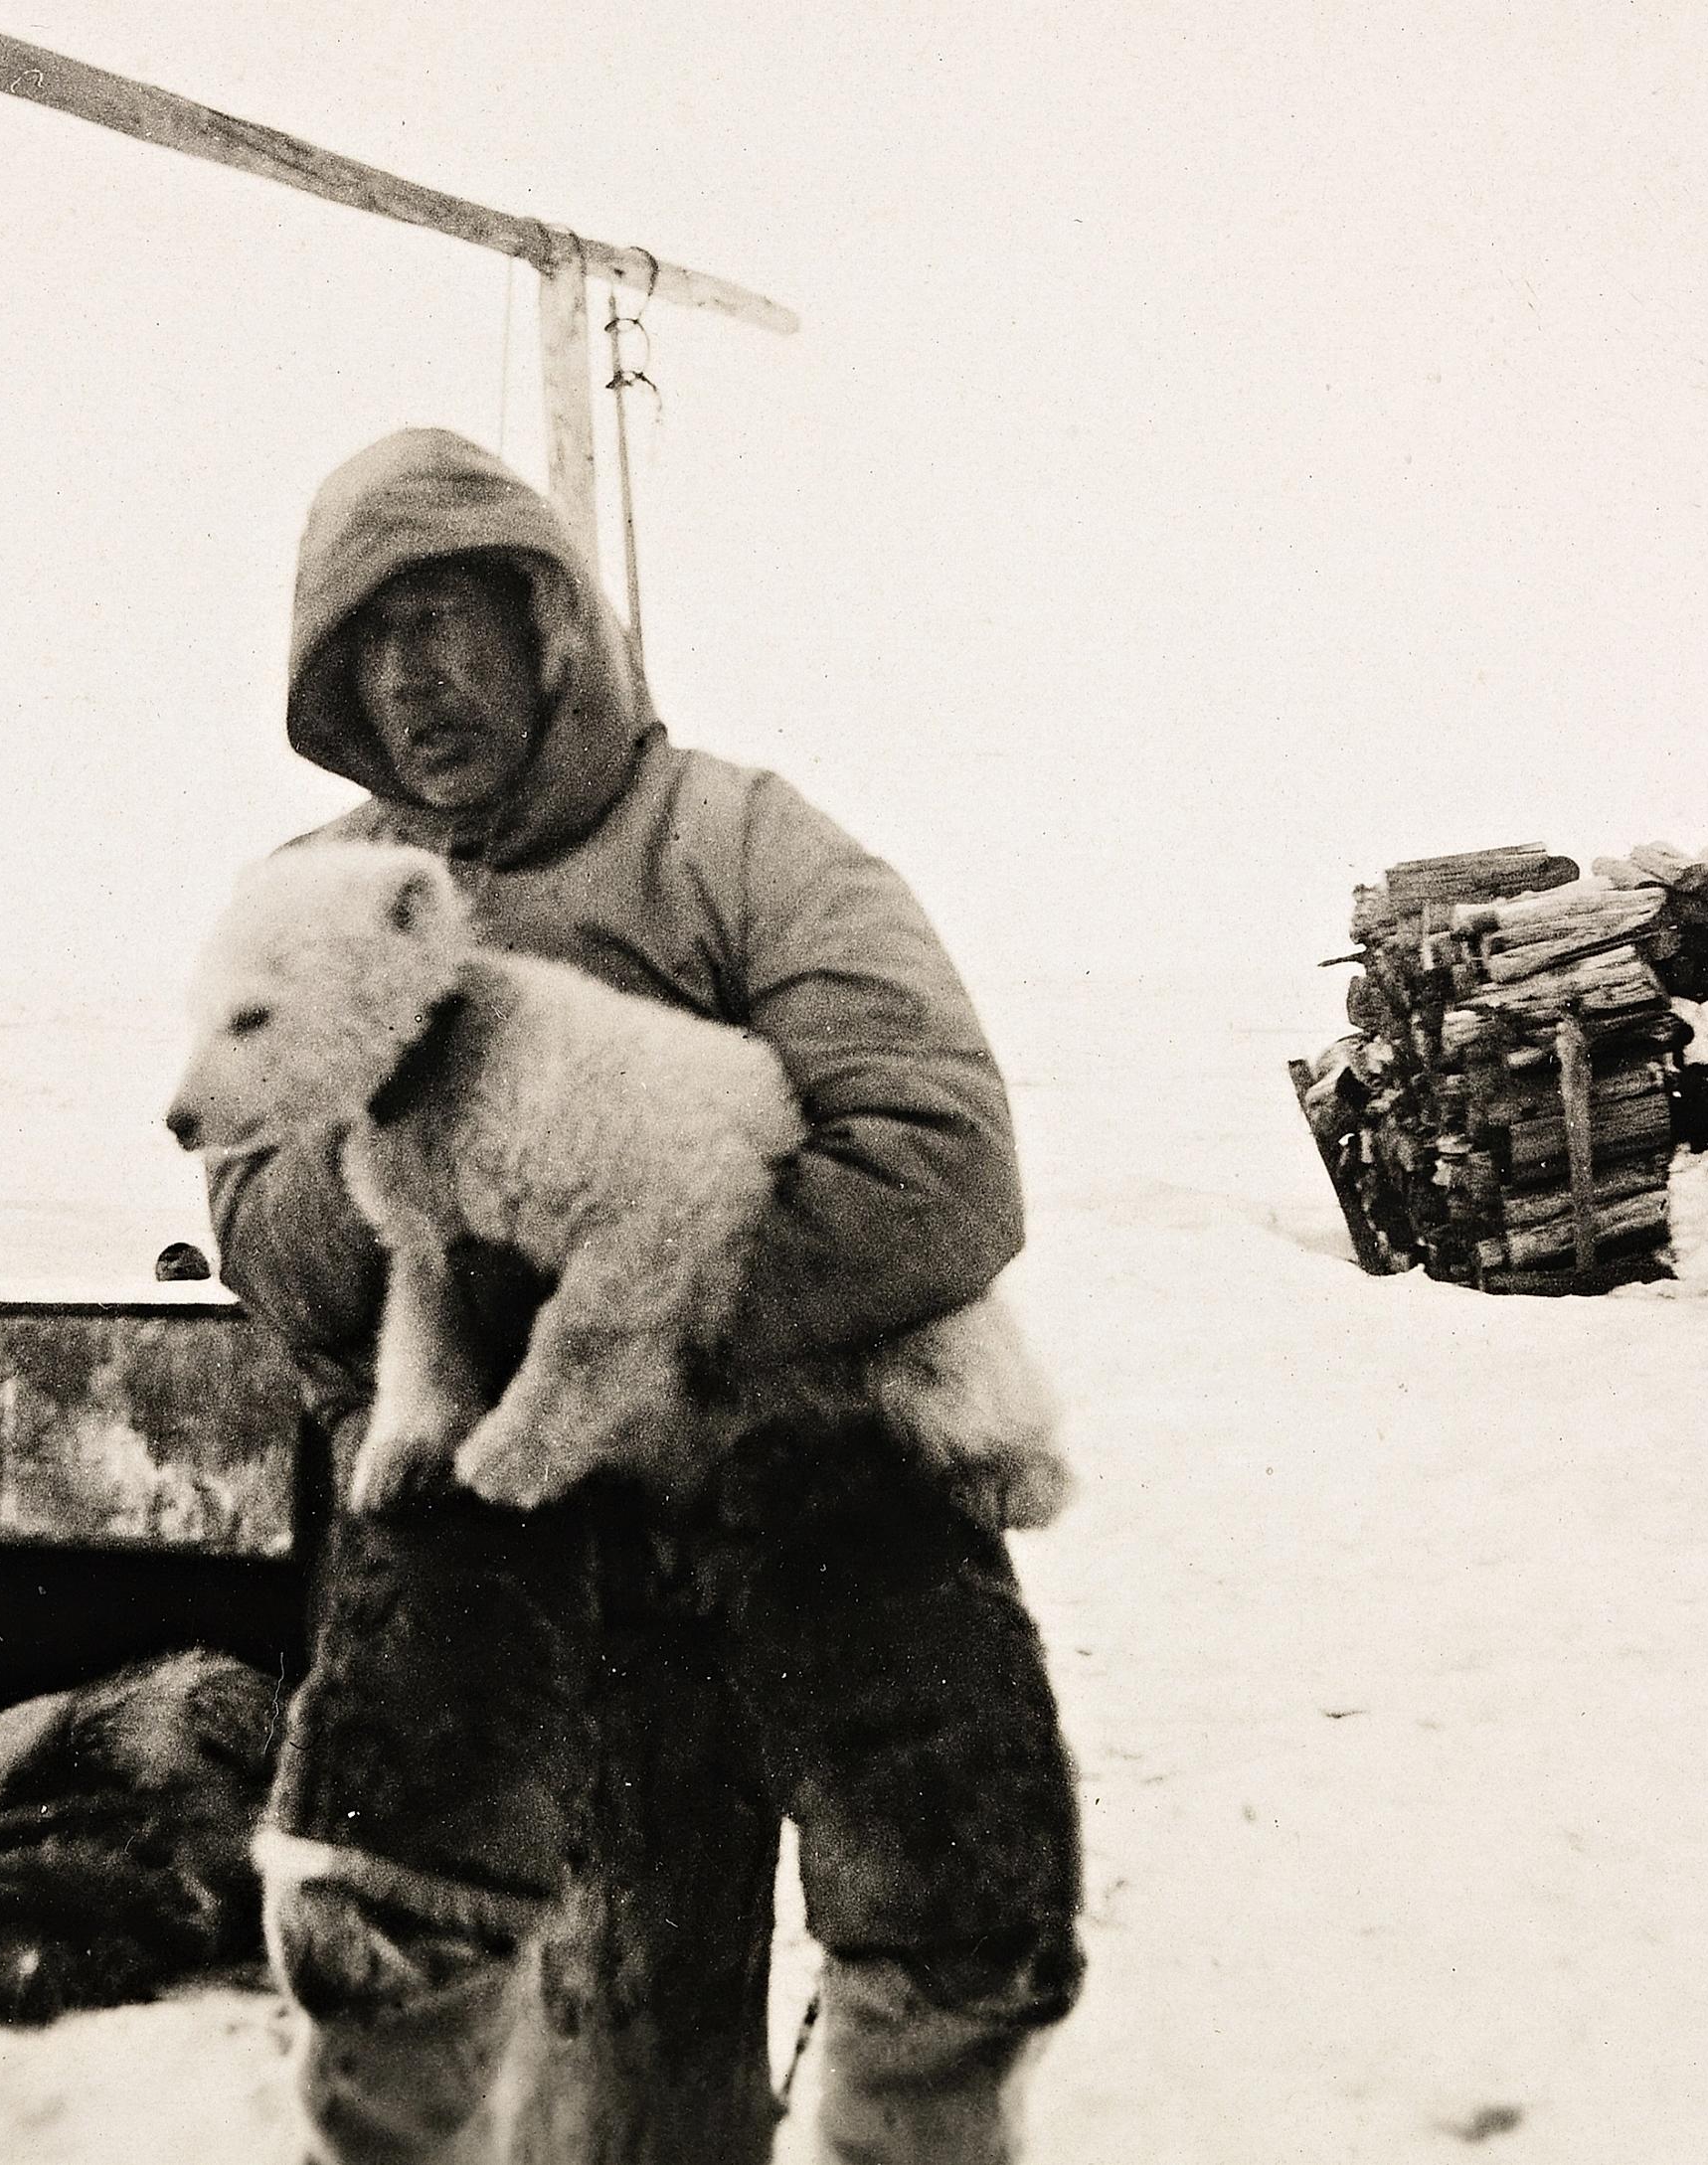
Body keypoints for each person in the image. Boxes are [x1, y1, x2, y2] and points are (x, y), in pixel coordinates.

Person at [200, 427, 1083, 2165]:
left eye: (441, 621)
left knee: (961, 1879)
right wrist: (413, 1116)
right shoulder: (316, 904)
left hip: (785, 1447)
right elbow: (261, 1236)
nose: (409, 679)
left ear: (546, 626)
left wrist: (645, 1292)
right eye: (365, 648)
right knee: (387, 1904)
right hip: (485, 1508)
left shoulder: (736, 842)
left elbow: (942, 1164)